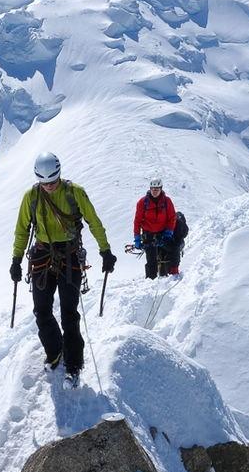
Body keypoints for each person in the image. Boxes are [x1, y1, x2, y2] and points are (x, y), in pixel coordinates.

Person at [10, 151, 115, 379]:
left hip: (69, 256)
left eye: (52, 181)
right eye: (44, 182)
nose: (48, 186)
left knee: (69, 313)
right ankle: (55, 350)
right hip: (42, 256)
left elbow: (93, 222)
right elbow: (22, 229)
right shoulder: (32, 196)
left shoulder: (74, 193)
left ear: (59, 174)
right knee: (41, 311)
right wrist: (16, 260)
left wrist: (105, 250)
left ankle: (74, 362)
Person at [133, 177, 182, 279]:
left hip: (163, 233)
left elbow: (172, 218)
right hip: (148, 234)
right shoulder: (142, 202)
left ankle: (174, 273)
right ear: (150, 189)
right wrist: (137, 238)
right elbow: (137, 221)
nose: (154, 191)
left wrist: (168, 233)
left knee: (174, 249)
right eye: (153, 189)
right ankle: (150, 281)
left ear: (161, 189)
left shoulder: (167, 201)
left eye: (157, 189)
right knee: (151, 261)